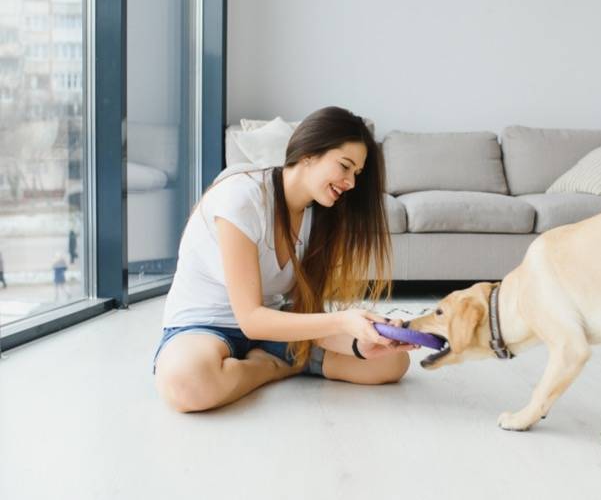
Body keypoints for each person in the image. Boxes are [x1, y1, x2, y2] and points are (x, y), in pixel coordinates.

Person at [153, 107, 418, 413]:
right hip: (205, 327)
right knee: (185, 384)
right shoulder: (243, 197)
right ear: (308, 154)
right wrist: (344, 320)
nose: (351, 183)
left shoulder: (320, 215)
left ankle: (268, 361)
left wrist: (367, 337)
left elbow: (303, 310)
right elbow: (251, 319)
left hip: (273, 329)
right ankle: (273, 367)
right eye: (345, 166)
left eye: (356, 174)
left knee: (391, 363)